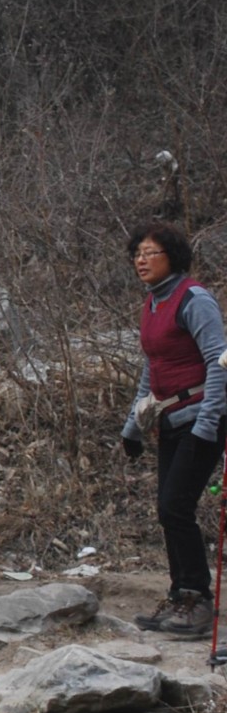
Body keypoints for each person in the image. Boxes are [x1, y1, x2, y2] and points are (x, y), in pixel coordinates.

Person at [120, 222, 226, 638]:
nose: (141, 260)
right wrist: (133, 427)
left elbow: (220, 362)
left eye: (151, 253)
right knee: (170, 509)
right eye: (138, 254)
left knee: (175, 506)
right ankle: (181, 594)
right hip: (171, 419)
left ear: (173, 258)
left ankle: (197, 598)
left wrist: (208, 423)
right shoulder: (152, 303)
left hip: (202, 417)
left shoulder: (194, 299)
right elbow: (154, 367)